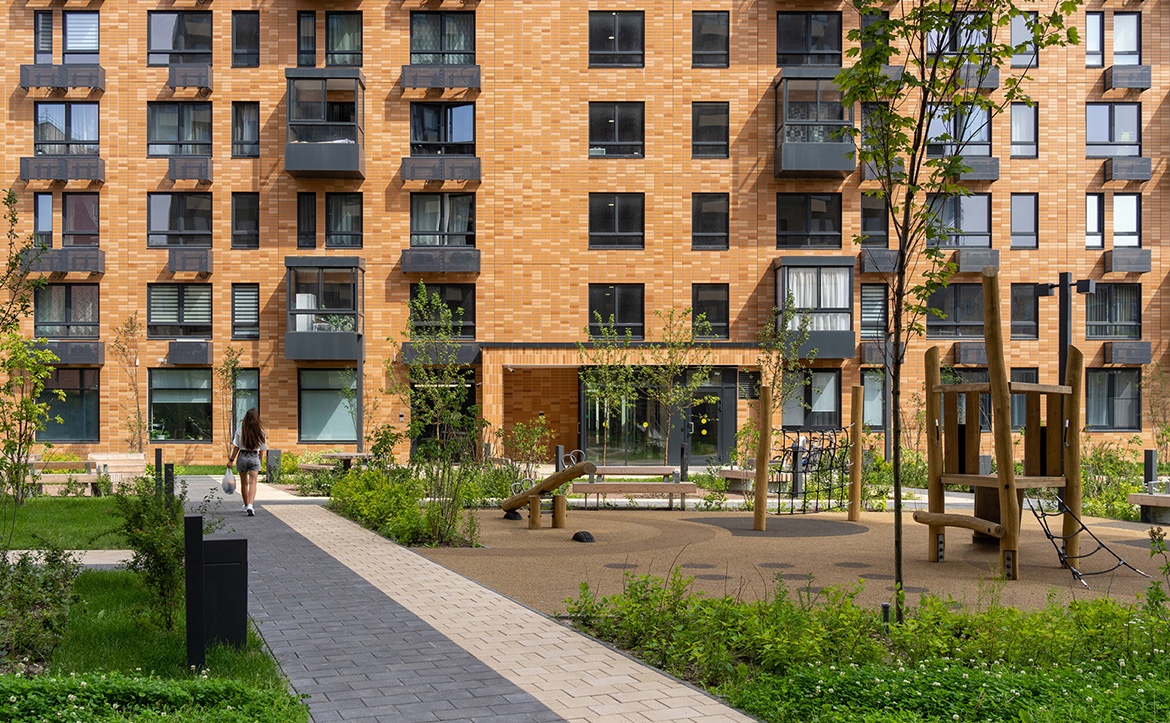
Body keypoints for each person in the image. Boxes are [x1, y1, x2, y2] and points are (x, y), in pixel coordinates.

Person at [229, 408, 267, 516]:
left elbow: (236, 447)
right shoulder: (260, 431)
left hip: (242, 456)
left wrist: (231, 460)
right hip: (254, 456)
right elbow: (262, 448)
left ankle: (246, 505)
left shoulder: (240, 430)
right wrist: (260, 459)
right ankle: (250, 505)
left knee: (244, 483)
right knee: (253, 482)